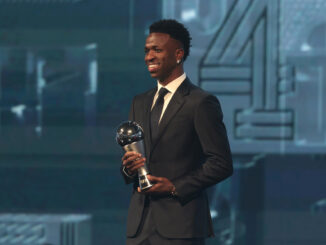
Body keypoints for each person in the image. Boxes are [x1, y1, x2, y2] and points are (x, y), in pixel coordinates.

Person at [121, 19, 233, 245]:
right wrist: (128, 167)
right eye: (146, 51)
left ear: (178, 54)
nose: (149, 56)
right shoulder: (139, 102)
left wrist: (174, 187)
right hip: (139, 227)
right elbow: (133, 168)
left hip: (181, 227)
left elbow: (221, 164)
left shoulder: (201, 102)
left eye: (157, 50)